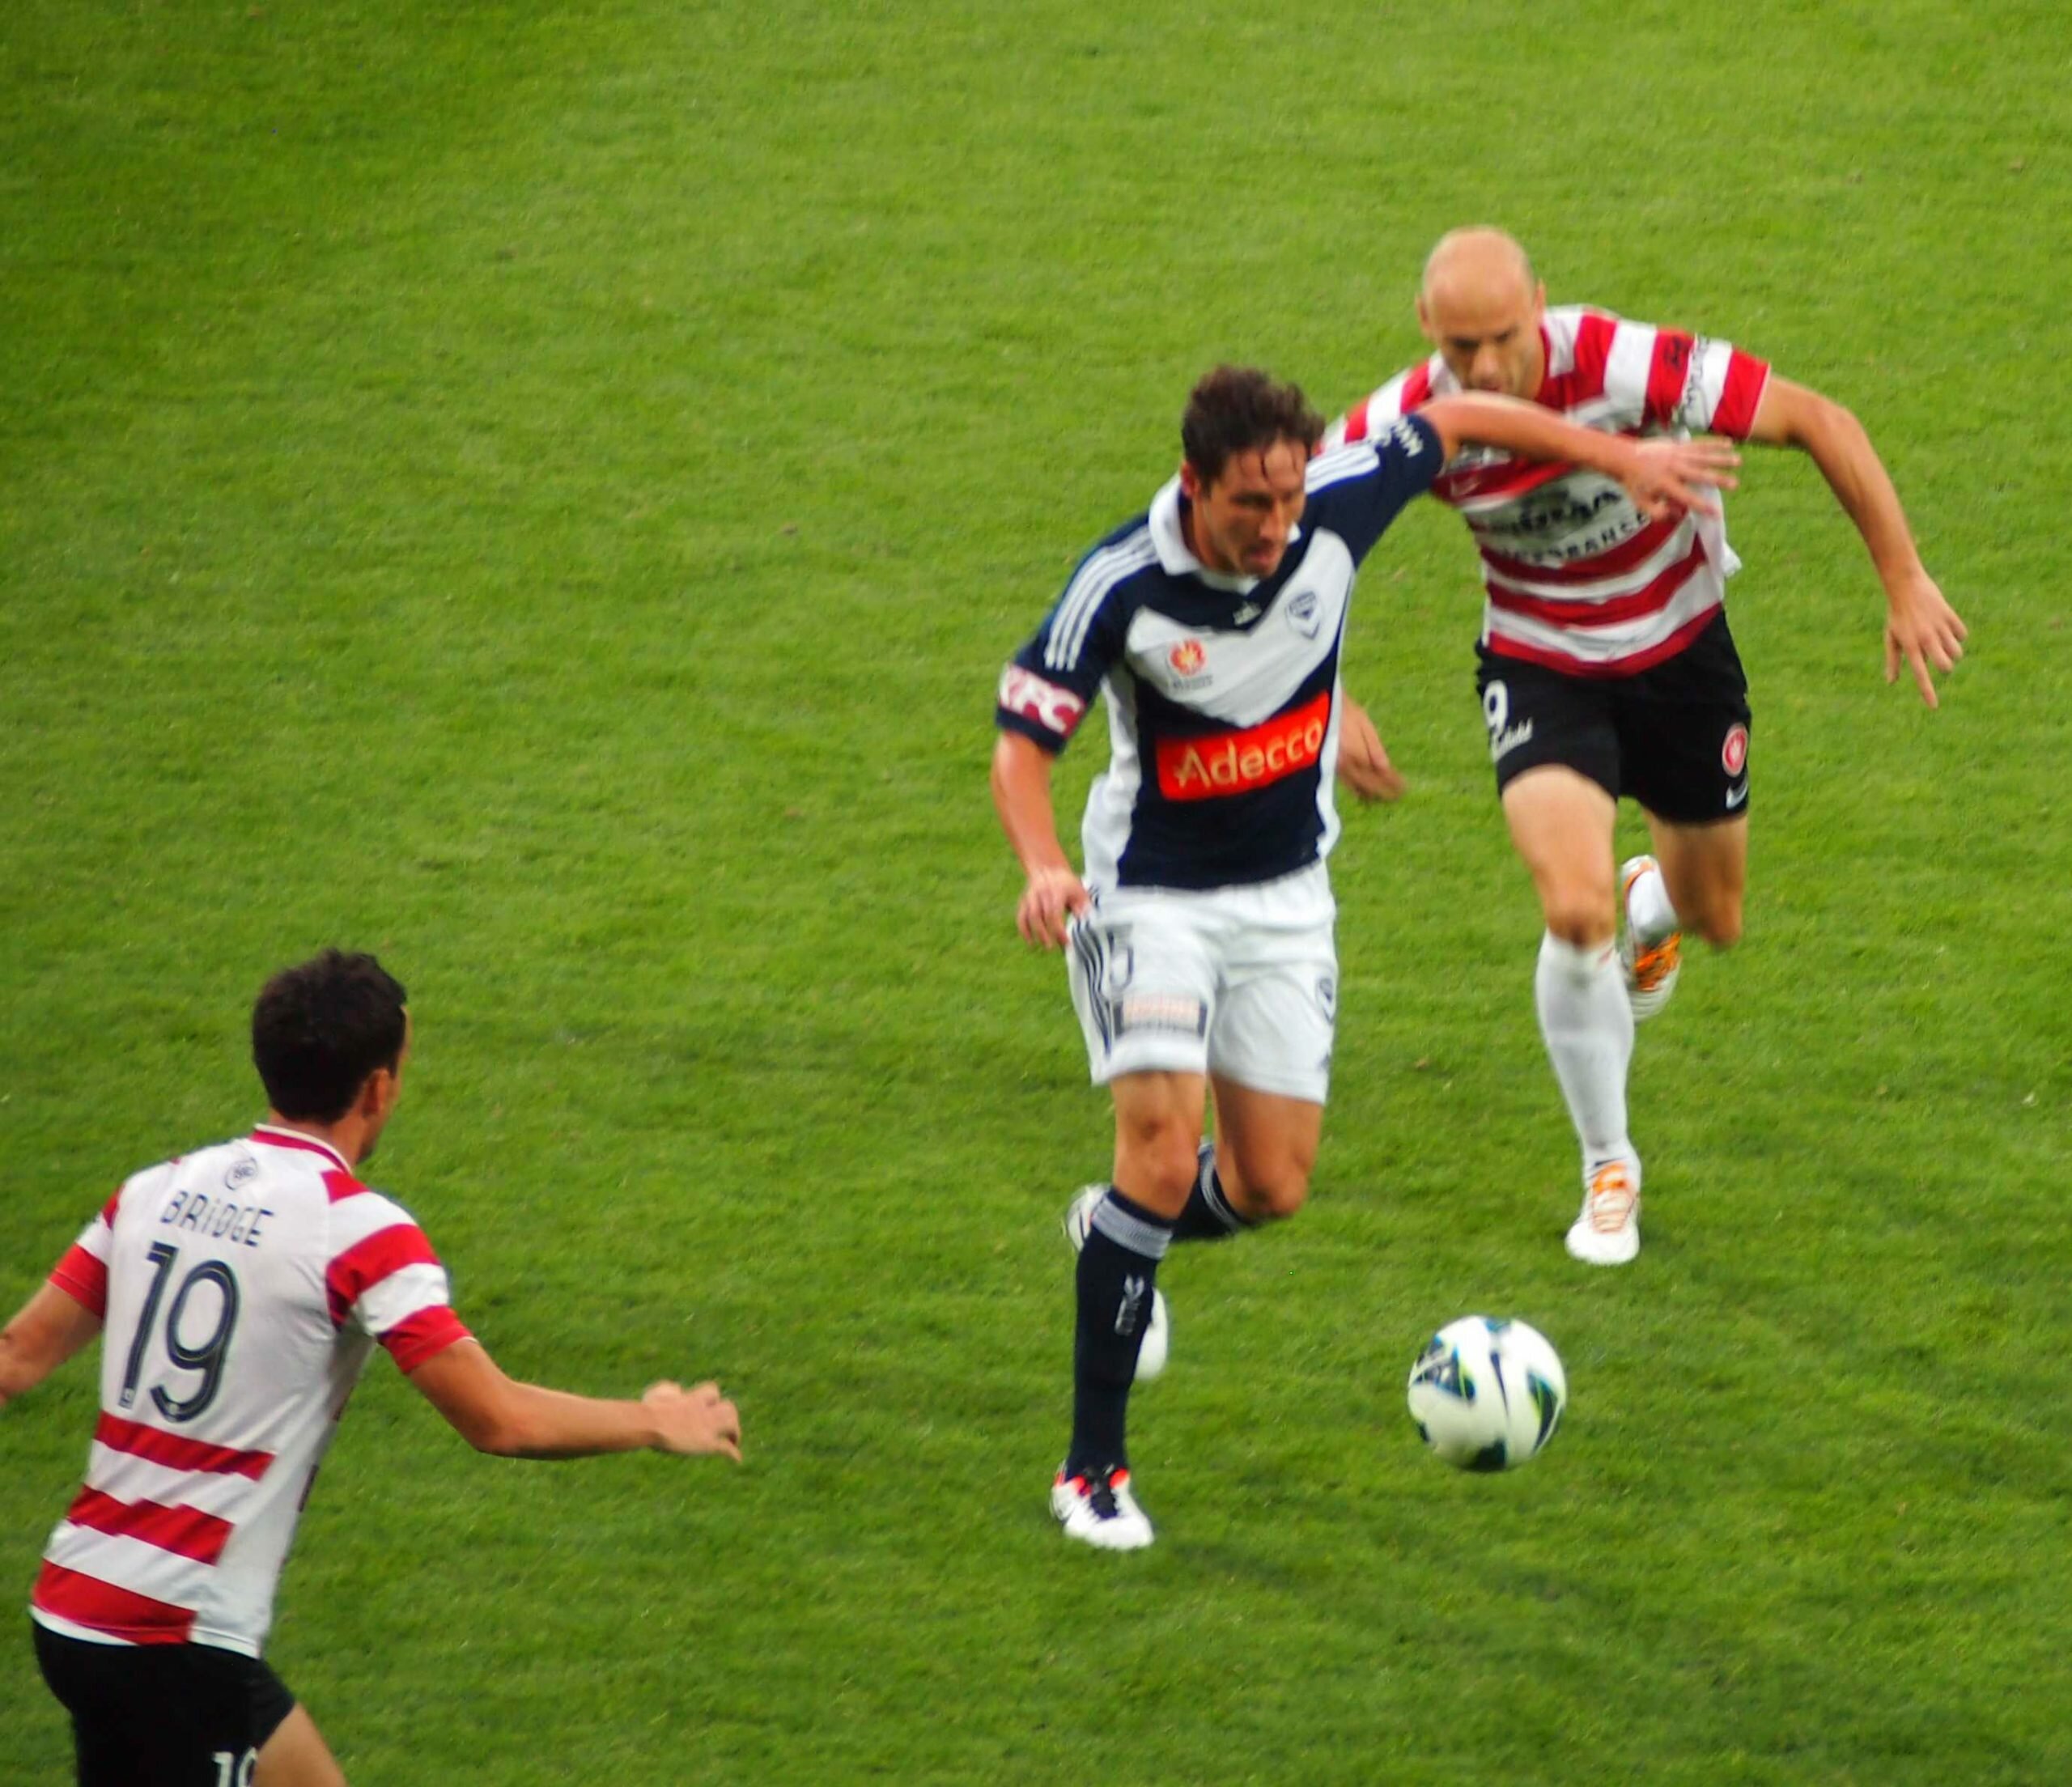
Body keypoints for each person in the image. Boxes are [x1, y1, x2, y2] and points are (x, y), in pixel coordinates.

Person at [991, 364, 1733, 1549]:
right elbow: (1023, 744)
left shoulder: (1337, 503)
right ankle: (1093, 1471)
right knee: (1159, 1147)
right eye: (1251, 508)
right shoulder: (1117, 584)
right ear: (1193, 485)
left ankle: (1118, 1231)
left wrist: (1620, 458)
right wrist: (1041, 865)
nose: (1279, 529)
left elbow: (1458, 421)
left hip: (1287, 896)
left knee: (1271, 1184)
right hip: (1150, 900)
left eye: (1290, 502)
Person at [1323, 227, 1968, 1267]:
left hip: (1680, 655)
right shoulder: (1409, 416)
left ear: (1540, 302)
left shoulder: (1623, 364)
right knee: (1567, 910)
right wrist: (1331, 694)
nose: (1483, 368)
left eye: (1500, 338)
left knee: (1716, 916)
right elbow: (1302, 534)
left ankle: (1652, 906)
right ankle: (1607, 1164)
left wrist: (1901, 575)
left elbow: (1815, 417)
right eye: (1458, 349)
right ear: (1423, 331)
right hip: (1540, 668)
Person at [2, 949, 742, 1786]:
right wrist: (654, 1419)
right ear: (378, 1089)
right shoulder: (361, 1232)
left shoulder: (153, 1190)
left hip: (76, 1602)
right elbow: (498, 1419)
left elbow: (15, 1359)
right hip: (174, 1636)